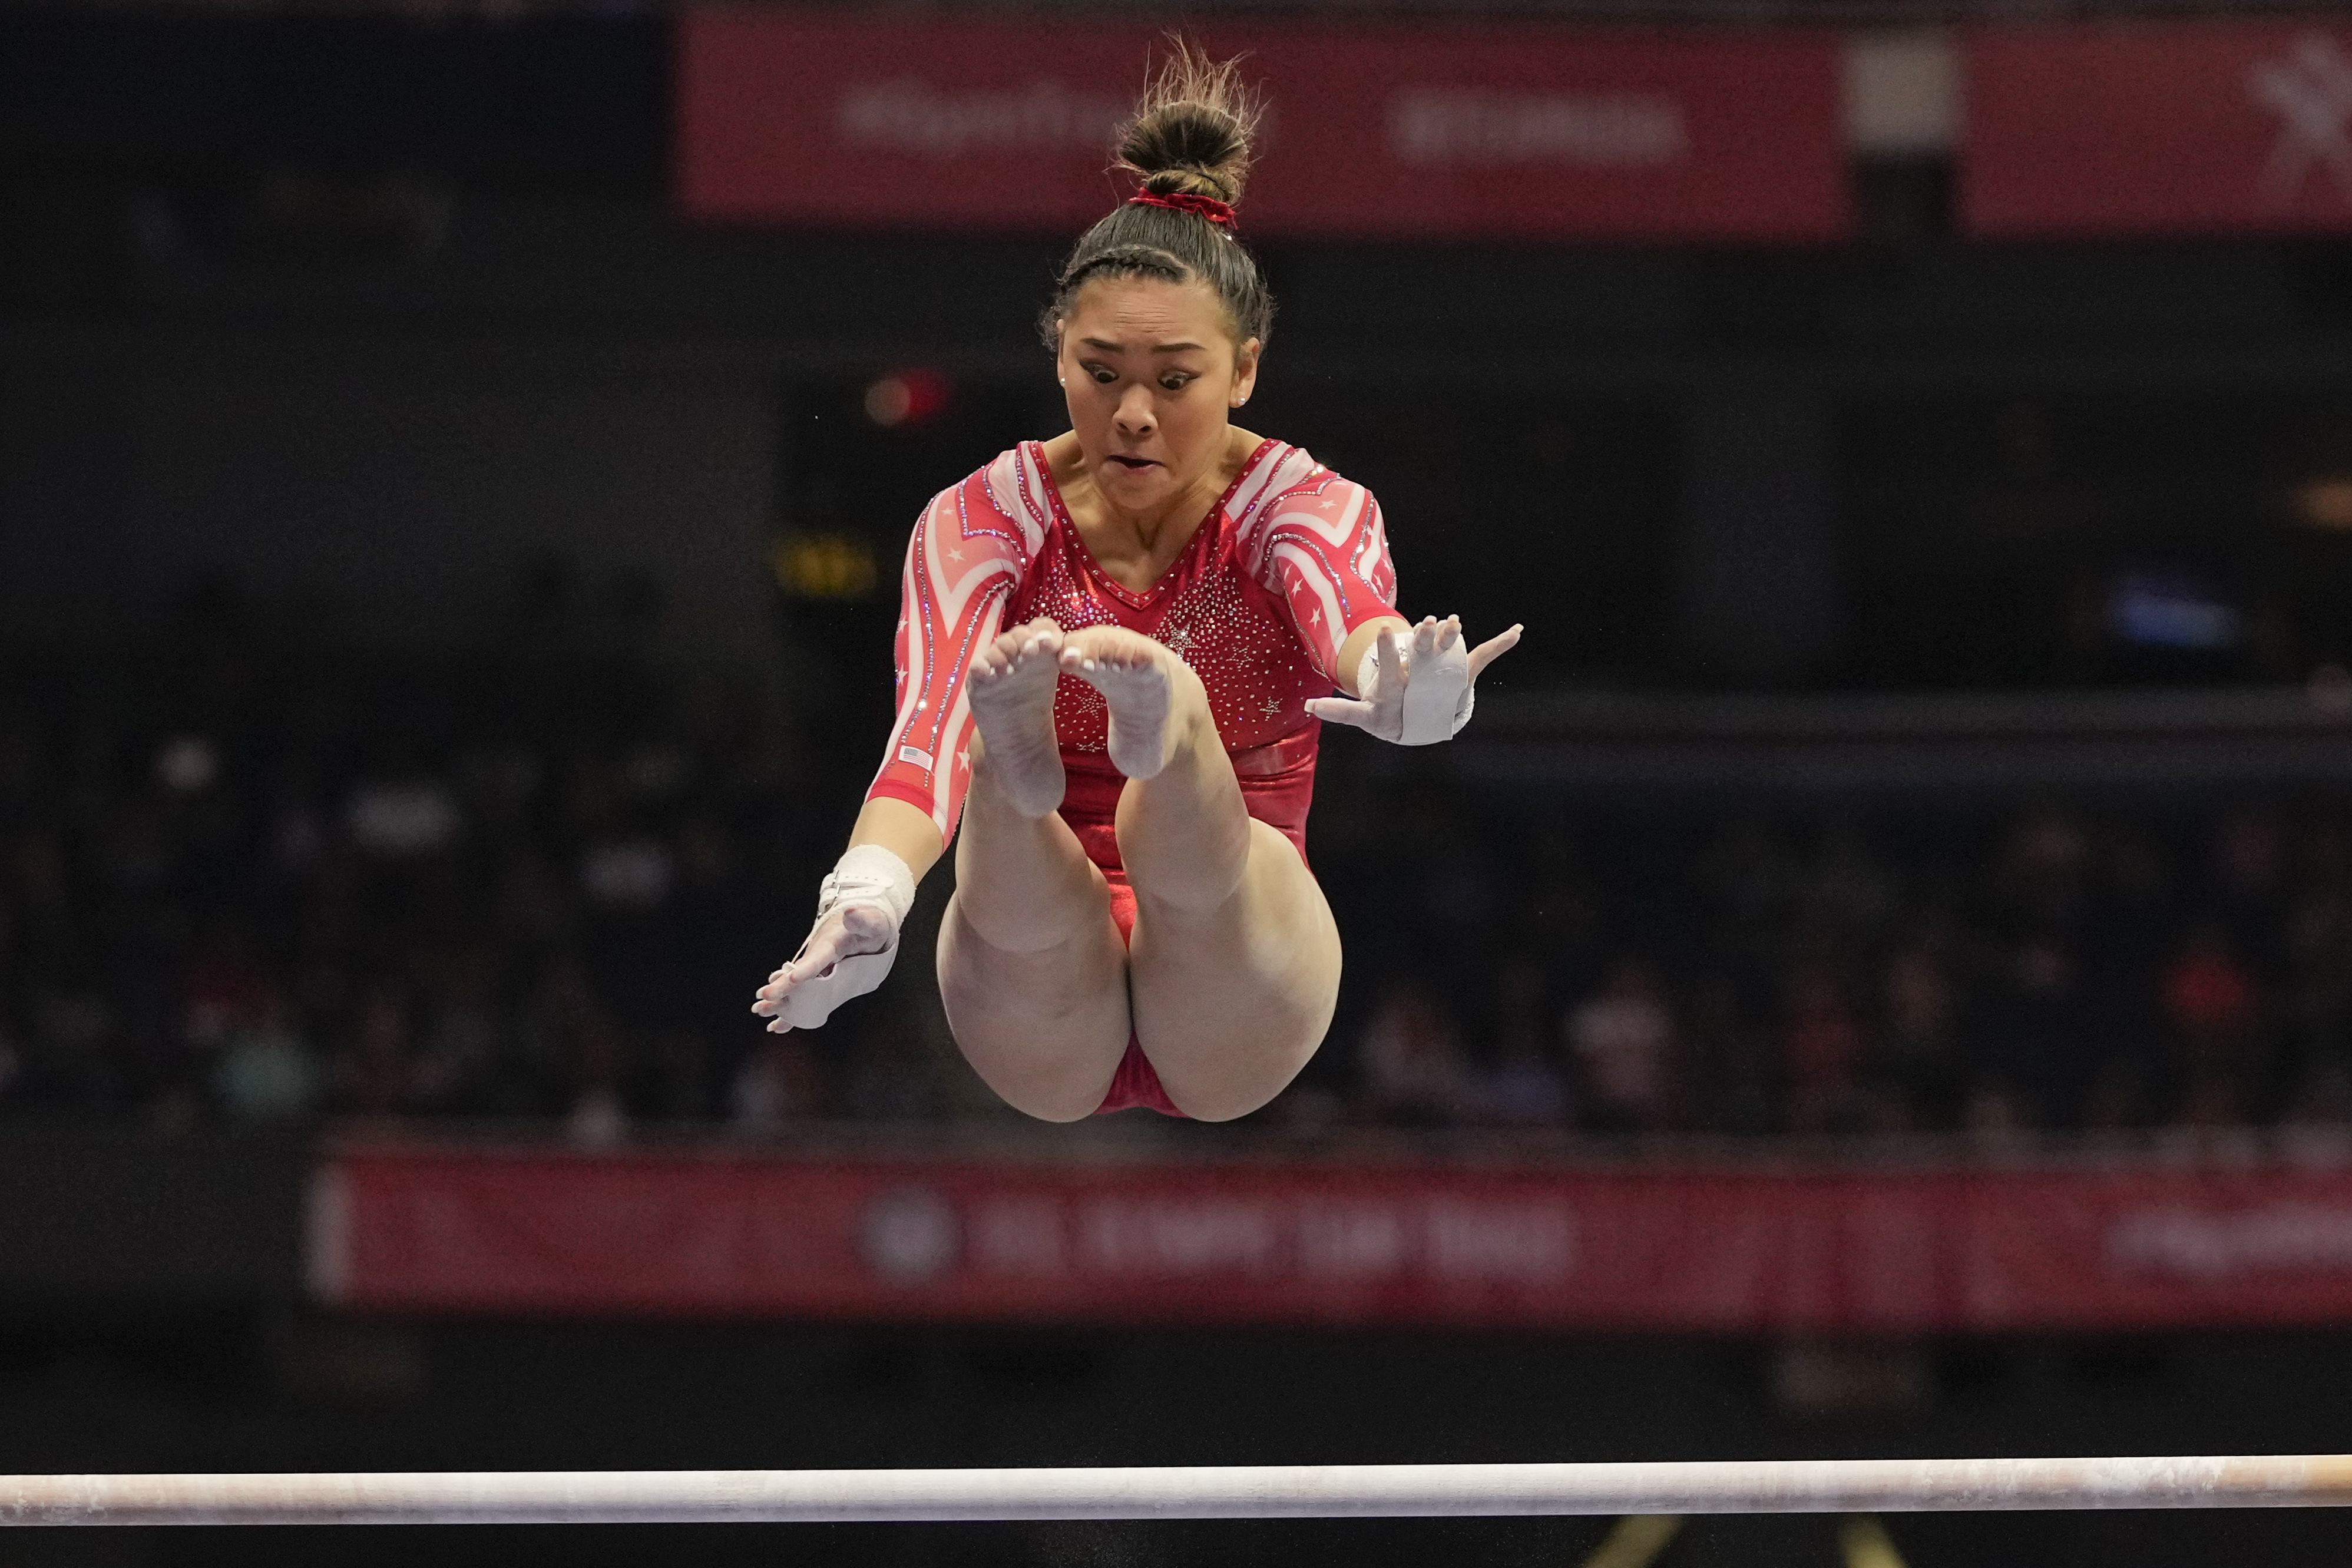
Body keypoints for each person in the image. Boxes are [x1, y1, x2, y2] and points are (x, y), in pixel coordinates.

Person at [751, 49, 1520, 1122]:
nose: (1134, 414)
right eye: (1100, 373)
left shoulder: (1296, 503)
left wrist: (1407, 683)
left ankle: (1164, 736)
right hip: (1036, 996)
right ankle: (1026, 782)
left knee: (1190, 829)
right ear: (1056, 353)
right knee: (1002, 813)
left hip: (1238, 957)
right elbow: (922, 734)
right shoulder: (982, 517)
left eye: (1175, 379)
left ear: (1244, 368)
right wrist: (868, 901)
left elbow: (1352, 622)